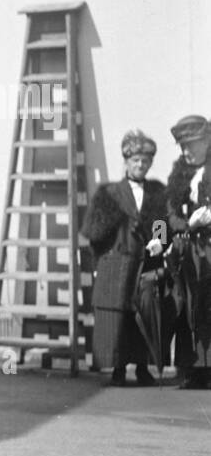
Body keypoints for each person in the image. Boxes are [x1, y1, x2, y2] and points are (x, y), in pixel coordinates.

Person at [82, 129, 169, 386]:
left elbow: (162, 225)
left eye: (145, 161)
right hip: (118, 263)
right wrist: (105, 257)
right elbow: (94, 233)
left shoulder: (157, 193)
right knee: (117, 318)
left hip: (146, 263)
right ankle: (118, 369)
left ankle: (143, 368)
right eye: (135, 161)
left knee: (143, 314)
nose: (140, 165)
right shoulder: (109, 193)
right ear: (126, 162)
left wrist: (160, 242)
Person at [166, 114, 211, 389]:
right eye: (182, 146)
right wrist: (162, 239)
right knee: (189, 309)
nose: (185, 151)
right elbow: (164, 213)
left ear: (207, 141)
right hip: (188, 251)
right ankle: (192, 369)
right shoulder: (179, 174)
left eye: (191, 144)